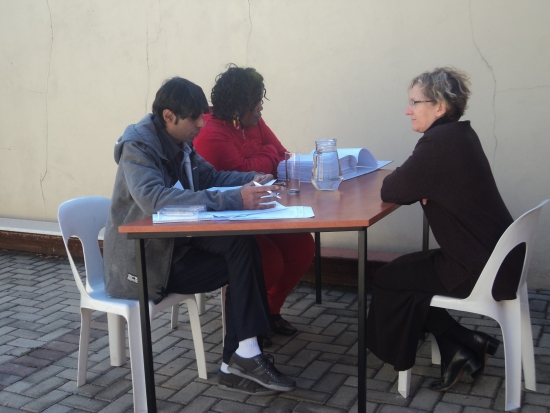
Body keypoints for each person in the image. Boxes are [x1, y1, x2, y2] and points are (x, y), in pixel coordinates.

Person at [103, 76, 296, 395]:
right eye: (194, 118)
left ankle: (243, 356)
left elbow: (211, 176)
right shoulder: (137, 146)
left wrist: (252, 179)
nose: (201, 124)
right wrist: (235, 199)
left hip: (177, 244)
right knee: (244, 259)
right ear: (169, 116)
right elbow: (153, 199)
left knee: (243, 245)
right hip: (145, 262)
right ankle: (242, 358)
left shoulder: (180, 143)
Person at [366, 67, 525, 392]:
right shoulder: (460, 134)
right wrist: (419, 183)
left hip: (478, 268)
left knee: (387, 280)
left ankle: (463, 342)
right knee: (406, 274)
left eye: (415, 102)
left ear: (439, 107)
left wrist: (417, 182)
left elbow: (391, 190)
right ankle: (461, 345)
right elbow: (411, 183)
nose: (407, 110)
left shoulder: (437, 144)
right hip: (495, 258)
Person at [194, 65, 315, 344]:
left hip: (261, 208)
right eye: (256, 103)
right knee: (268, 258)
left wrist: (268, 156)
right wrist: (269, 155)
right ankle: (247, 326)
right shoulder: (212, 134)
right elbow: (242, 171)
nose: (261, 108)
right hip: (228, 216)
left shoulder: (253, 123)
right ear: (238, 107)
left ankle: (270, 311)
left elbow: (282, 155)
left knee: (302, 246)